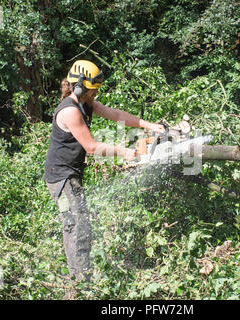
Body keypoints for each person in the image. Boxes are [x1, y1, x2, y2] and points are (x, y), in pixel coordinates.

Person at [44, 60, 165, 287]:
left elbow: (116, 114)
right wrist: (126, 152)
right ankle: (80, 281)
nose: (96, 93)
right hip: (61, 180)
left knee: (78, 222)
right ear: (79, 86)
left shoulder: (86, 102)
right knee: (76, 224)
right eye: (94, 89)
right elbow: (91, 147)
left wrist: (149, 126)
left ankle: (79, 274)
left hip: (70, 175)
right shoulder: (70, 111)